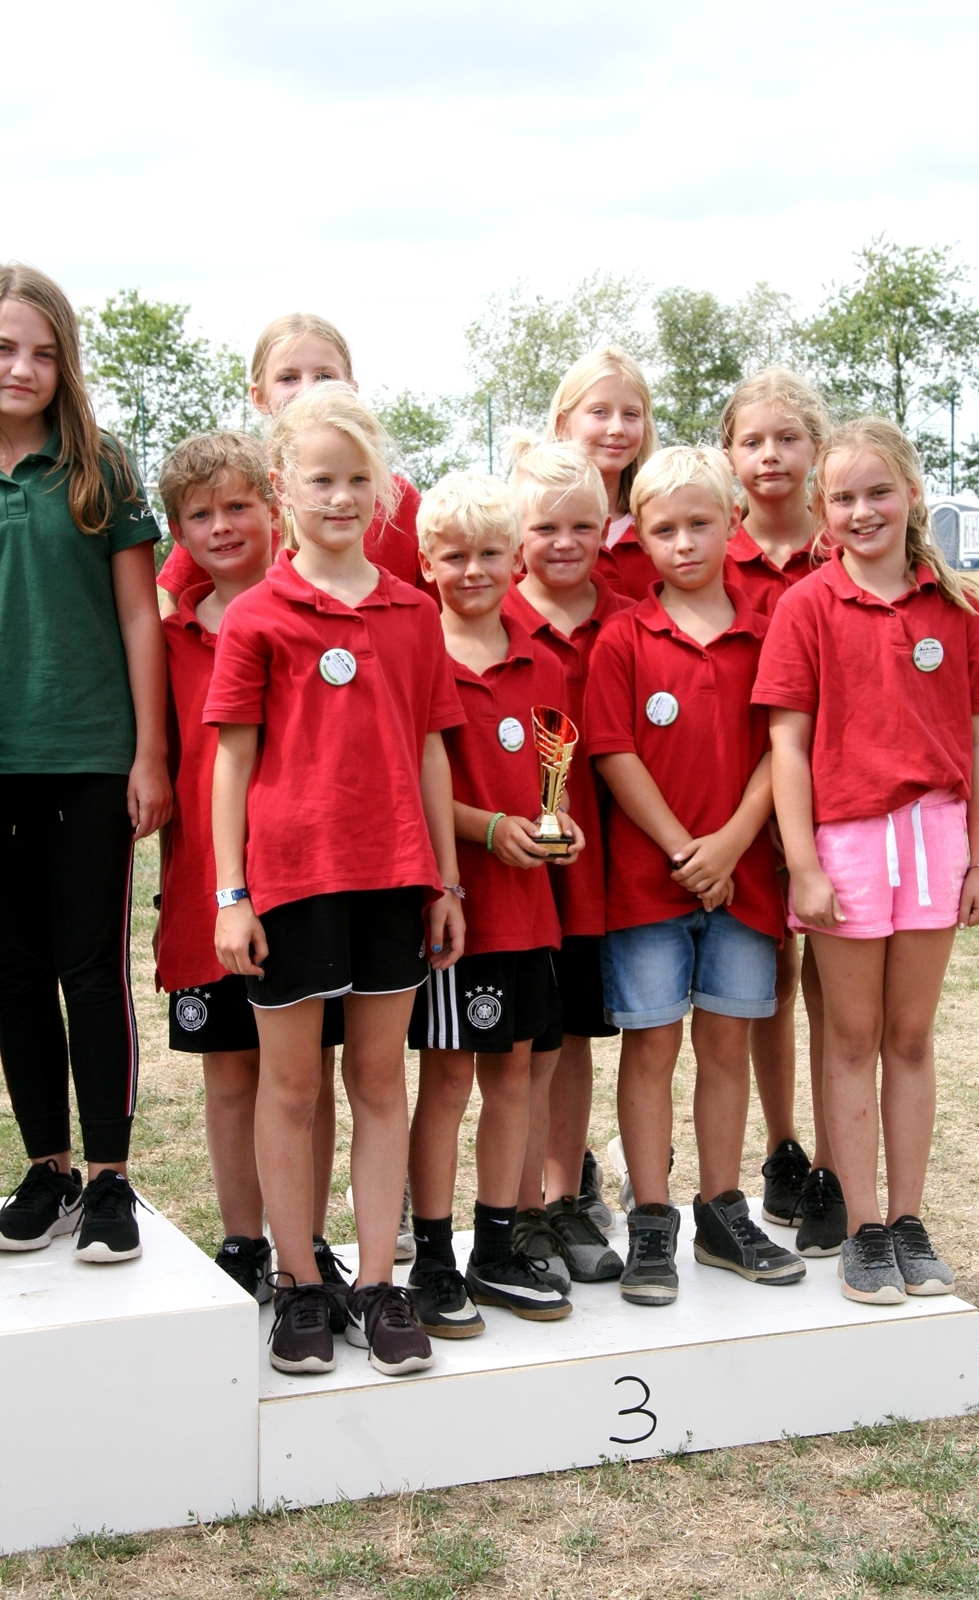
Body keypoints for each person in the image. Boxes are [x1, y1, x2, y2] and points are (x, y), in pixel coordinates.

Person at [205, 383, 465, 1375]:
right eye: (321, 479)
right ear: (283, 488)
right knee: (291, 1088)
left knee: (379, 1082)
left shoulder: (413, 612)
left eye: (359, 479)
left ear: (382, 490)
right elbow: (232, 761)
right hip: (290, 885)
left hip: (395, 879)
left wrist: (444, 882)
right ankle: (300, 1284)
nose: (342, 497)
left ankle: (378, 1284)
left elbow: (432, 751)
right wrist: (231, 895)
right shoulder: (257, 616)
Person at [753, 417, 979, 1304]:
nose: (861, 511)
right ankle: (861, 1227)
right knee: (851, 1036)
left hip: (936, 840)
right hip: (846, 845)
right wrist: (804, 864)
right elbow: (787, 746)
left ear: (910, 495)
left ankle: (906, 1221)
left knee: (908, 1037)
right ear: (821, 510)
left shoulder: (958, 606)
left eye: (878, 492)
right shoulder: (806, 606)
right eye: (842, 498)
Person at [585, 445, 805, 1306]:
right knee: (651, 1047)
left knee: (725, 1046)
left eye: (700, 524)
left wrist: (731, 843)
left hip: (744, 885)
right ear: (637, 537)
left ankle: (720, 1211)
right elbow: (613, 753)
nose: (683, 543)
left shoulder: (769, 628)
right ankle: (650, 1219)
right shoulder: (622, 637)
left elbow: (781, 747)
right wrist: (685, 850)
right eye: (663, 529)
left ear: (732, 523)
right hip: (648, 886)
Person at [0, 263, 170, 1264]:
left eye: (42, 353)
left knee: (89, 969)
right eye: (4, 348)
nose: (21, 368)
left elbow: (141, 616)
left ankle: (109, 1177)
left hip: (92, 756)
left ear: (64, 364)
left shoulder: (99, 467)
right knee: (14, 972)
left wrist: (150, 751)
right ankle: (49, 1168)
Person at [154, 432, 347, 1311]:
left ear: (275, 510)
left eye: (239, 506)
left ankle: (308, 1241)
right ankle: (241, 1242)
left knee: (307, 1079)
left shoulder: (313, 616)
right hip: (208, 888)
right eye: (201, 514)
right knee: (230, 1073)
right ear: (179, 533)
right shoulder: (166, 638)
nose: (223, 525)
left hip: (305, 886)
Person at [406, 470, 599, 1333]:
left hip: (530, 912)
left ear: (513, 557)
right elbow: (408, 784)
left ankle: (495, 1246)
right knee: (450, 1079)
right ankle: (432, 1257)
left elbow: (553, 779)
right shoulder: (417, 655)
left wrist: (561, 827)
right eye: (454, 556)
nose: (474, 570)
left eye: (490, 553)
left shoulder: (541, 661)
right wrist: (487, 829)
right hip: (458, 913)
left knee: (516, 1072)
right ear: (426, 561)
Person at [501, 435, 631, 1268]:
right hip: (510, 874)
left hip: (597, 872)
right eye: (544, 527)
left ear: (608, 524)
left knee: (572, 1037)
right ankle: (513, 1206)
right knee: (515, 1046)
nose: (563, 542)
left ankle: (561, 1195)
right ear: (516, 532)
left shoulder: (629, 618)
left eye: (582, 525)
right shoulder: (487, 617)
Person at [720, 369, 842, 1255]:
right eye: (751, 440)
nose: (769, 455)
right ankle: (781, 1147)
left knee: (830, 982)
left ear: (815, 448)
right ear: (728, 453)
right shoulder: (706, 548)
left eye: (787, 438)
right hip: (735, 793)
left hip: (829, 797)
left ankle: (835, 1161)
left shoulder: (845, 547)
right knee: (764, 977)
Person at [156, 312, 424, 611]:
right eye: (288, 378)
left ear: (352, 390)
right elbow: (175, 615)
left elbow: (438, 617)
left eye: (325, 377)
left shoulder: (397, 498)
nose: (308, 389)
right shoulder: (228, 494)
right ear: (259, 396)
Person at [547, 345, 659, 603]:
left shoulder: (665, 527)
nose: (617, 428)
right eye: (600, 412)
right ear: (563, 424)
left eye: (631, 414)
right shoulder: (529, 528)